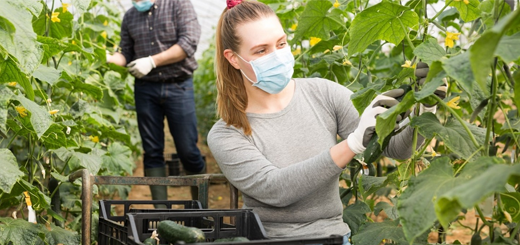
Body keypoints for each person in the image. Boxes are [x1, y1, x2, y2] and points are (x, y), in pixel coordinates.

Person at [207, 0, 439, 242]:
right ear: (233, 59)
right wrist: (352, 144)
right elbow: (275, 189)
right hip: (270, 239)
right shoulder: (226, 133)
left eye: (281, 43)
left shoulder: (323, 93)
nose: (277, 56)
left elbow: (397, 149)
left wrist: (426, 107)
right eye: (261, 51)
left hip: (334, 237)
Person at [106, 0, 206, 202]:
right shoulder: (130, 16)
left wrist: (152, 61)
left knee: (188, 150)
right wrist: (106, 57)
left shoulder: (178, 4)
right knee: (152, 151)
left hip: (179, 85)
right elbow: (125, 52)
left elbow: (188, 42)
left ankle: (200, 206)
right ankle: (161, 212)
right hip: (146, 88)